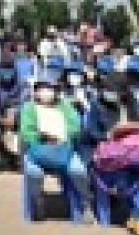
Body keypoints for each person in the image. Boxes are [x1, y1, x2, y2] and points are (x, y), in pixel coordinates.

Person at [18, 70, 93, 223]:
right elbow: (26, 132)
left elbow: (75, 126)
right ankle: (37, 201)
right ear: (36, 91)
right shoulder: (28, 108)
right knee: (34, 174)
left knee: (79, 171)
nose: (46, 92)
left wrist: (63, 137)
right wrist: (42, 137)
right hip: (37, 150)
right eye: (42, 88)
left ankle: (86, 204)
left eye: (50, 88)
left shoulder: (65, 107)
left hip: (64, 150)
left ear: (56, 90)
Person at [0, 63, 24, 171]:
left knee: (27, 129)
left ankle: (22, 160)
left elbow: (25, 103)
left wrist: (15, 115)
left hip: (18, 118)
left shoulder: (21, 84)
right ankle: (7, 155)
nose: (8, 74)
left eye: (10, 69)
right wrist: (2, 120)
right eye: (4, 69)